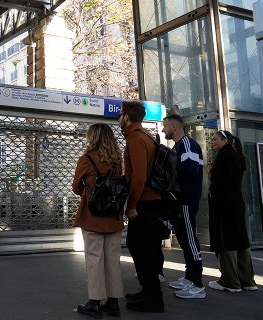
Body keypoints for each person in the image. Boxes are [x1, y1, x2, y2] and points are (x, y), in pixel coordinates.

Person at [71, 123, 125, 318]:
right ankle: (113, 302)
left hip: (92, 217)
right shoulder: (117, 161)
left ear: (92, 138)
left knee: (94, 259)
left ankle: (95, 303)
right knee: (113, 260)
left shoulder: (86, 159)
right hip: (113, 217)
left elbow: (76, 187)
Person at [117, 101, 164, 313]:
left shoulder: (135, 138)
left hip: (144, 201)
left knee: (139, 246)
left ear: (127, 117)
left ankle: (153, 297)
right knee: (141, 246)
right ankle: (148, 291)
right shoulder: (145, 136)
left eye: (120, 114)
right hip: (150, 200)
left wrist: (132, 204)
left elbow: (138, 177)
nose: (119, 117)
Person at [161, 114, 206, 299]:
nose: (163, 129)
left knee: (190, 241)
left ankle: (197, 284)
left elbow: (190, 171)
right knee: (185, 241)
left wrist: (168, 177)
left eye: (165, 126)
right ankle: (189, 278)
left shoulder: (187, 144)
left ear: (174, 127)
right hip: (180, 201)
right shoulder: (179, 146)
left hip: (186, 200)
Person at [207, 130, 258, 292]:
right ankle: (248, 281)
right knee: (241, 240)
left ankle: (230, 282)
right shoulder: (235, 156)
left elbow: (220, 181)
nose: (212, 142)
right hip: (236, 204)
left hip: (224, 206)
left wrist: (212, 171)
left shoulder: (223, 156)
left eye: (215, 139)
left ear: (225, 140)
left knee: (226, 240)